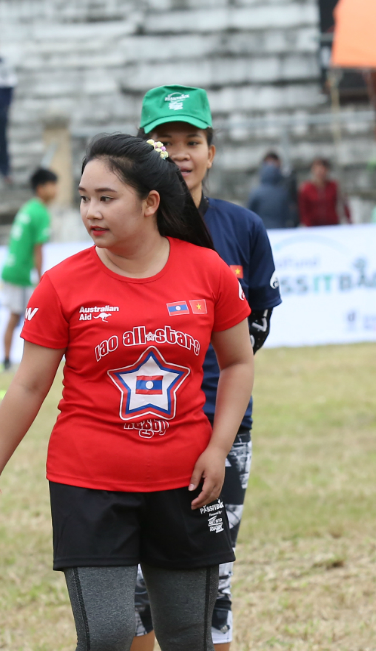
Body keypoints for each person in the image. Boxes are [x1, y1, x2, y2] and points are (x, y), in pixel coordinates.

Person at [0, 133, 255, 651]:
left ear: (151, 203)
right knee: (109, 636)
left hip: (186, 482)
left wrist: (219, 448)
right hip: (88, 484)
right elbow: (28, 384)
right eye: (85, 198)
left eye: (106, 198)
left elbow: (239, 361)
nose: (91, 211)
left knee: (187, 637)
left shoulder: (208, 271)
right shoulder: (62, 284)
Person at [133, 85, 282, 651]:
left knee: (213, 575)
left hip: (223, 426)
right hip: (139, 426)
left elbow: (258, 327)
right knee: (135, 583)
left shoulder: (243, 228)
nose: (179, 154)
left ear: (211, 151)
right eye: (163, 142)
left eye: (191, 140)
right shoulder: (125, 229)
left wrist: (209, 370)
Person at [0, 168, 56, 370]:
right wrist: (41, 279)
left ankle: (9, 361)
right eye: (52, 185)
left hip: (11, 268)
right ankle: (12, 363)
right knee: (25, 318)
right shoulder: (40, 212)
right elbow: (38, 249)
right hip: (21, 273)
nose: (56, 190)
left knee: (18, 317)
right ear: (41, 188)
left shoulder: (29, 208)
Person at [0, 35, 16, 184]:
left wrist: (5, 107)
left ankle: (4, 170)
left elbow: (10, 87)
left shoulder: (4, 65)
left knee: (2, 141)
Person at [247, 152, 294, 229]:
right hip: (280, 230)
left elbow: (249, 213)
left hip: (262, 230)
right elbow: (288, 214)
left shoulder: (256, 192)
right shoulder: (283, 192)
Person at [298, 157, 349, 226]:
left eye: (322, 169)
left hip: (332, 225)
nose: (319, 172)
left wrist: (349, 221)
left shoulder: (334, 186)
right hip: (313, 226)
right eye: (316, 169)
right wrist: (307, 224)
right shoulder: (306, 189)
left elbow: (343, 205)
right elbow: (303, 210)